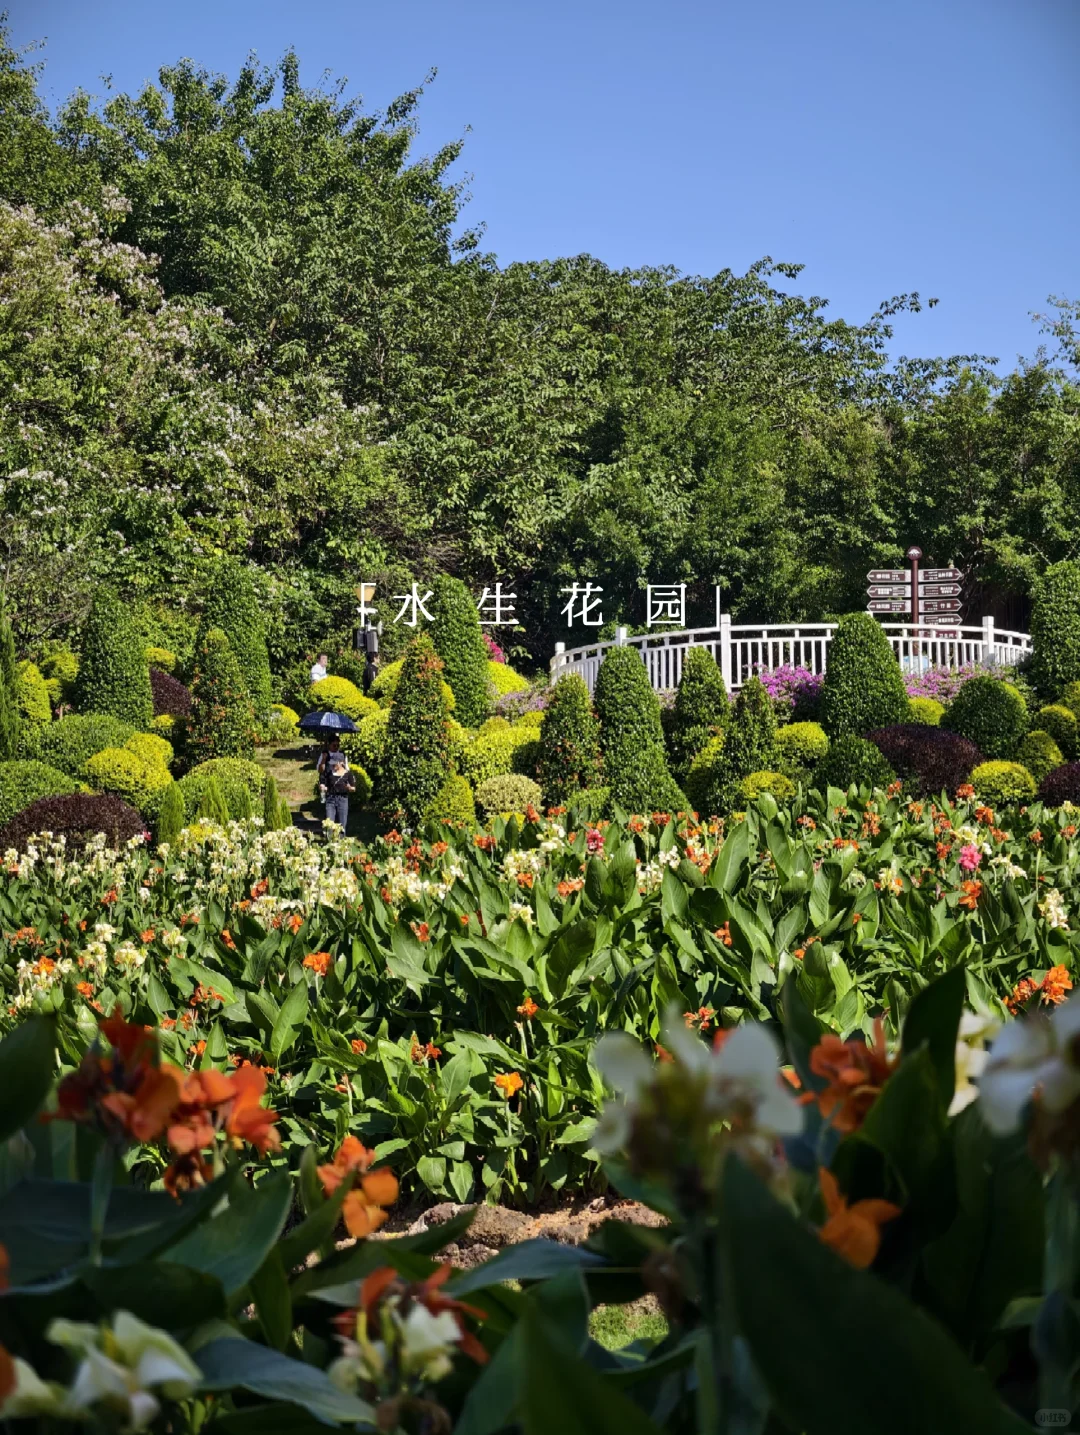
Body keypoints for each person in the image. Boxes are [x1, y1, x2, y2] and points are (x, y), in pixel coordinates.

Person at [316, 735, 355, 833]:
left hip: (342, 794)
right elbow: (320, 770)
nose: (336, 747)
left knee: (342, 825)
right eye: (334, 745)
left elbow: (347, 771)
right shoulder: (324, 754)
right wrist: (324, 759)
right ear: (329, 745)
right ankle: (330, 843)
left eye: (338, 745)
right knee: (329, 823)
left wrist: (341, 768)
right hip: (330, 792)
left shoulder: (342, 755)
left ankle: (341, 844)